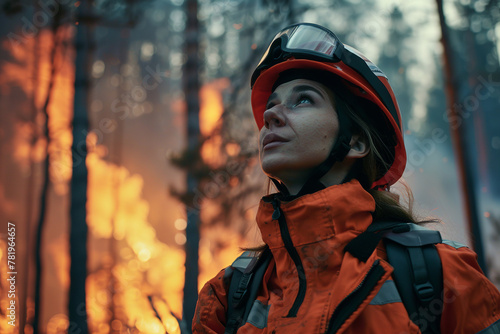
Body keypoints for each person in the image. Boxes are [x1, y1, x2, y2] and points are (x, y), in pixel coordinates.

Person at [192, 23, 500, 333]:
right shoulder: (226, 297)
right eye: (272, 104)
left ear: (355, 142)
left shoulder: (443, 276)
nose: (271, 116)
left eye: (303, 100)